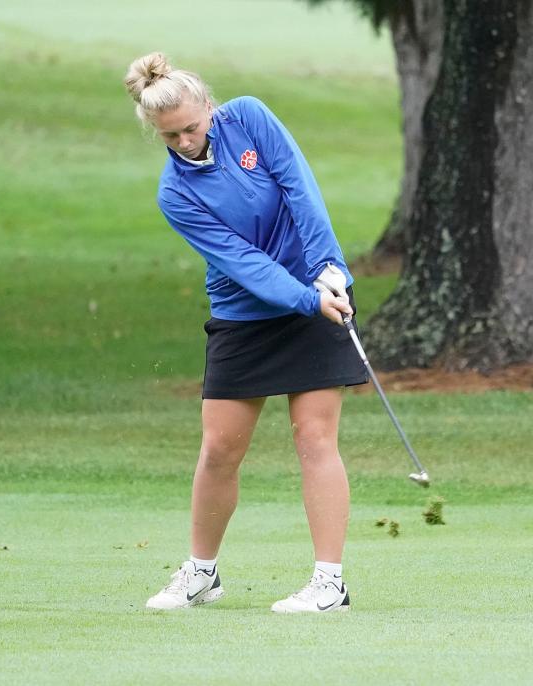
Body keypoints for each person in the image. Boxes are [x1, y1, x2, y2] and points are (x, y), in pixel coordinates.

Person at [123, 52, 367, 613]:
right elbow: (242, 263)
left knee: (314, 438)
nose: (184, 141)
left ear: (210, 107)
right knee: (219, 449)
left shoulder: (250, 117)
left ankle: (330, 583)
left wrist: (329, 268)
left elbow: (300, 189)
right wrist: (306, 298)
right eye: (170, 136)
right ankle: (202, 572)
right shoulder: (175, 195)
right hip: (245, 313)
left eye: (191, 127)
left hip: (317, 293)